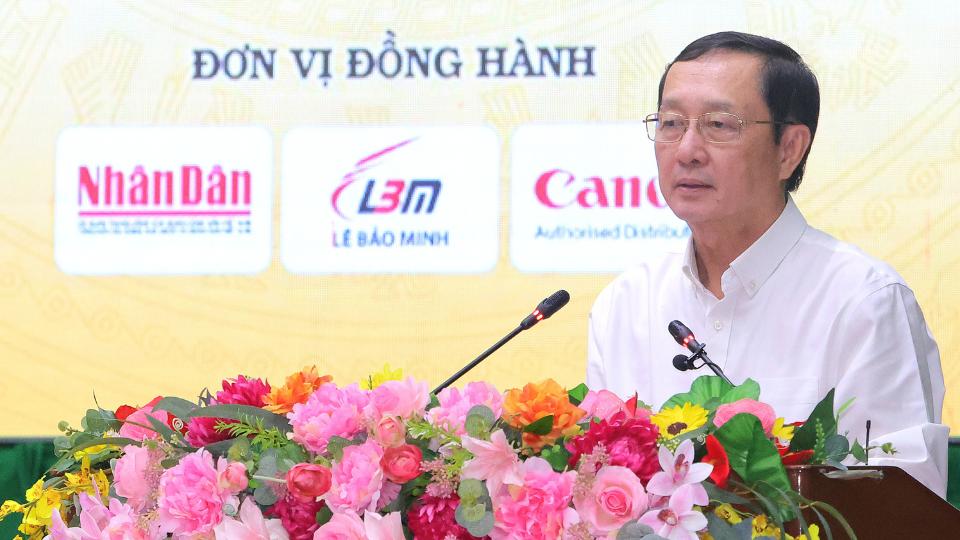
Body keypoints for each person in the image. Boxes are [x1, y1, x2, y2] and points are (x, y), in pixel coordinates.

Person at [586, 31, 948, 496]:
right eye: (672, 123)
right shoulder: (625, 305)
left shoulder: (863, 302)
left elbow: (898, 503)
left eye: (719, 125)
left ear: (788, 149)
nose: (687, 149)